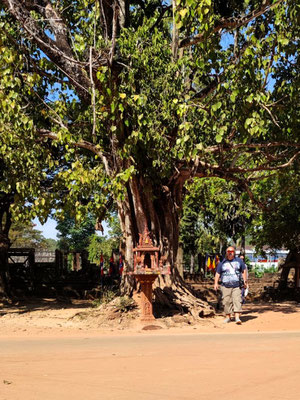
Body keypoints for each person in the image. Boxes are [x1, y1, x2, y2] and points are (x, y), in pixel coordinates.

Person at [214, 246, 248, 324]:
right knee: (226, 301)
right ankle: (228, 317)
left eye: (232, 251)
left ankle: (237, 318)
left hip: (237, 285)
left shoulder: (239, 261)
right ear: (226, 252)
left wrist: (245, 282)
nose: (230, 252)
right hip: (225, 285)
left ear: (234, 252)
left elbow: (244, 271)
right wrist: (216, 283)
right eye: (228, 251)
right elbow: (217, 273)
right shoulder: (222, 262)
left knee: (237, 300)